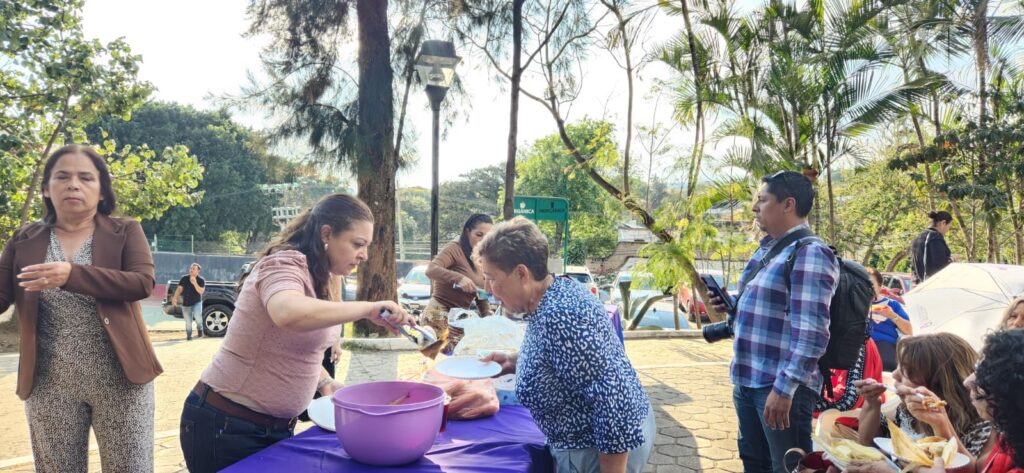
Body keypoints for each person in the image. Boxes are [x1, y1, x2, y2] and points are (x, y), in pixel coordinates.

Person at [178, 193, 415, 472]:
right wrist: (367, 309)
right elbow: (286, 312)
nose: (364, 255)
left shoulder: (320, 278)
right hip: (227, 427)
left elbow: (294, 348)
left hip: (271, 430)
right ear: (327, 234)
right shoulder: (283, 263)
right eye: (357, 244)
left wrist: (325, 382)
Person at [0, 144, 163, 472]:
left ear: (101, 191)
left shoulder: (125, 231)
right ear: (47, 188)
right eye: (62, 176)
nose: (73, 184)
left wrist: (72, 275)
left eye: (86, 177)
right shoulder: (24, 239)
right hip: (49, 384)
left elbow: (141, 283)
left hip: (121, 380)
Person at [478, 217, 655, 473]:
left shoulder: (559, 316)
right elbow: (565, 359)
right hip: (599, 441)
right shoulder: (556, 290)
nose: (488, 290)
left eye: (491, 278)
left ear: (521, 273)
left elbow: (613, 397)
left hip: (596, 451)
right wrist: (512, 361)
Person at [708, 170, 839, 473]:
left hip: (779, 387)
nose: (755, 207)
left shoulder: (810, 253)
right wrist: (732, 308)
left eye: (762, 200)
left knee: (787, 468)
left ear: (788, 204)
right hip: (748, 378)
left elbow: (813, 334)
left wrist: (785, 389)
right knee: (754, 464)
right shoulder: (769, 249)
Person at [847, 333, 994, 473]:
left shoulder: (981, 429)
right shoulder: (906, 411)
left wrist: (940, 423)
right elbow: (868, 443)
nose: (894, 374)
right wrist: (872, 402)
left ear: (938, 383)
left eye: (905, 370)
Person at [422, 213, 493, 356]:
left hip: (460, 319)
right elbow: (431, 270)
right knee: (437, 364)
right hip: (438, 314)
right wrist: (458, 278)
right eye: (479, 235)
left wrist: (487, 315)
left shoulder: (481, 256)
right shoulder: (454, 248)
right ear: (467, 232)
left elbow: (480, 293)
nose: (482, 241)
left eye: (487, 237)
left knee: (461, 361)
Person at [866, 267, 912, 371]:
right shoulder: (854, 302)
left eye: (871, 285)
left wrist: (893, 316)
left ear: (880, 286)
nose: (867, 288)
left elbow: (910, 331)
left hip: (885, 347)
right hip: (861, 346)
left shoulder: (892, 305)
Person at [910, 211, 953, 284]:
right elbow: (940, 263)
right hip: (932, 285)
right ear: (943, 223)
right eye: (949, 226)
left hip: (917, 284)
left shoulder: (918, 238)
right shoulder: (935, 237)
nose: (948, 230)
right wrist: (952, 259)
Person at [171, 262, 205, 340]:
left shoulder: (201, 280)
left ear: (198, 271)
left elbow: (201, 291)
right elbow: (179, 289)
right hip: (186, 303)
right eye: (190, 268)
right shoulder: (184, 278)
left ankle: (200, 329)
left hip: (197, 302)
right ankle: (189, 336)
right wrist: (175, 298)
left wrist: (195, 283)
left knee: (197, 316)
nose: (191, 270)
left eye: (193, 269)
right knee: (188, 321)